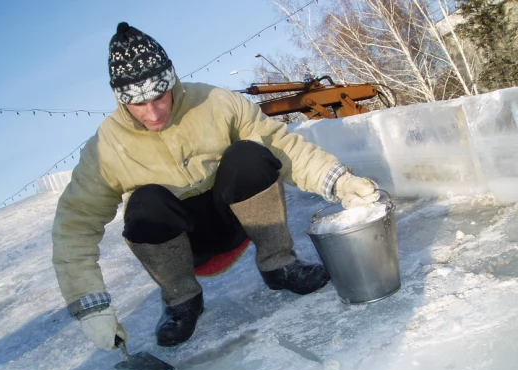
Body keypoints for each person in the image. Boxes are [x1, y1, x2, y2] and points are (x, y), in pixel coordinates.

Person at [52, 22, 379, 351]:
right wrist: (91, 308)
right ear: (121, 99)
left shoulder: (216, 102)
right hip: (181, 245)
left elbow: (283, 146)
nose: (152, 113)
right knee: (145, 201)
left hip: (237, 220)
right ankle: (183, 301)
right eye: (138, 104)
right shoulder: (106, 147)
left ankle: (280, 265)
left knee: (250, 156)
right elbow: (75, 225)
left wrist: (340, 180)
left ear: (172, 82)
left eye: (159, 97)